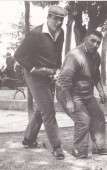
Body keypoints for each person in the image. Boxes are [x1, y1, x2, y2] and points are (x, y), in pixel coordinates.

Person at [14, 5, 68, 160]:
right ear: (48, 17)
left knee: (42, 108)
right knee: (49, 109)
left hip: (49, 75)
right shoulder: (34, 34)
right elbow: (19, 55)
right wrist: (33, 70)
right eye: (56, 19)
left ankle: (28, 139)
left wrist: (56, 70)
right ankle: (56, 147)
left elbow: (58, 54)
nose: (59, 23)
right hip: (34, 75)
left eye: (61, 19)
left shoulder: (61, 32)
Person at [56, 29, 107, 159]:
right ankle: (79, 150)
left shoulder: (96, 55)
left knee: (98, 116)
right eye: (92, 41)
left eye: (98, 42)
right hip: (68, 92)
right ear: (85, 39)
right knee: (83, 120)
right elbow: (64, 80)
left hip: (87, 93)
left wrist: (102, 91)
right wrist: (69, 100)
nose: (95, 45)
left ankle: (100, 146)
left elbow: (96, 76)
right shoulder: (75, 55)